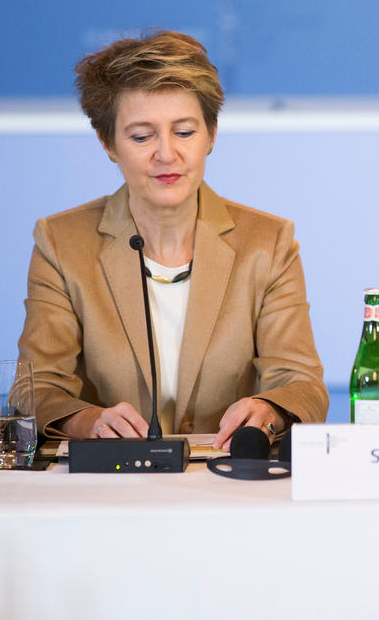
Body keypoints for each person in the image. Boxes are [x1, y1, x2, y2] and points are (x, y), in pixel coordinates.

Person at [18, 31, 327, 450]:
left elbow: (301, 383)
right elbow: (35, 389)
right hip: (108, 483)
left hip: (227, 479)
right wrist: (87, 421)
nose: (166, 154)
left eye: (184, 132)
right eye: (142, 137)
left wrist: (270, 410)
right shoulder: (61, 242)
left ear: (211, 135)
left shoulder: (268, 242)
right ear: (107, 143)